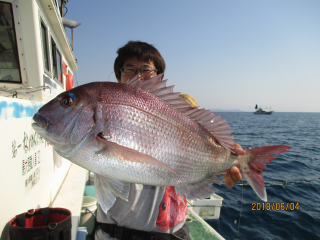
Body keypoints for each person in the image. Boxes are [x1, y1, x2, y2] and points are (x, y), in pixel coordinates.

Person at [95, 41, 244, 240]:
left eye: (146, 70)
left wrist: (227, 157)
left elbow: (201, 144)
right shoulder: (105, 111)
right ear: (119, 77)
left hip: (173, 234)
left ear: (159, 77)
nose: (138, 76)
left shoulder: (179, 116)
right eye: (129, 69)